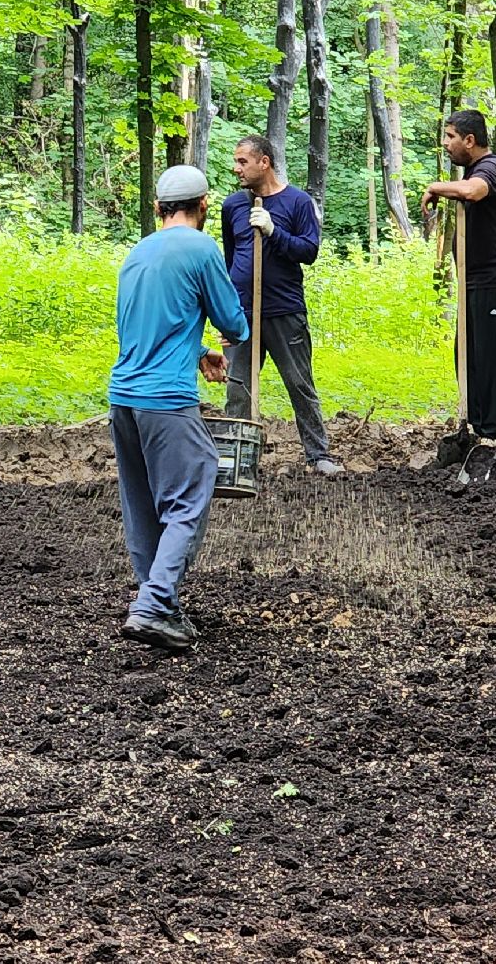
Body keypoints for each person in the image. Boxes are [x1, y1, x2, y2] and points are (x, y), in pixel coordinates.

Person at [110, 165, 250, 651]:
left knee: (142, 504)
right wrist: (232, 337)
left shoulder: (136, 254)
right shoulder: (201, 248)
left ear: (157, 209)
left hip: (124, 397)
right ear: (205, 206)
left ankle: (160, 603)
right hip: (166, 399)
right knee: (192, 489)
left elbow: (141, 329)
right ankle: (151, 606)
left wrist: (195, 352)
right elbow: (232, 320)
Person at [218, 136, 341, 476]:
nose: (236, 168)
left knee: (300, 384)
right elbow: (232, 262)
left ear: (265, 162)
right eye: (236, 161)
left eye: (243, 161)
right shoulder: (233, 206)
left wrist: (273, 231)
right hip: (243, 315)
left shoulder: (297, 202)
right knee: (237, 387)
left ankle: (318, 456)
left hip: (284, 310)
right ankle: (236, 461)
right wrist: (227, 314)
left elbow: (309, 251)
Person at [422, 109, 496, 450]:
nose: (445, 143)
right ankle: (478, 426)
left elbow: (474, 192)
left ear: (470, 140)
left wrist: (436, 187)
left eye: (450, 136)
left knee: (491, 359)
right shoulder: (472, 170)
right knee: (468, 355)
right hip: (476, 282)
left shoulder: (491, 168)